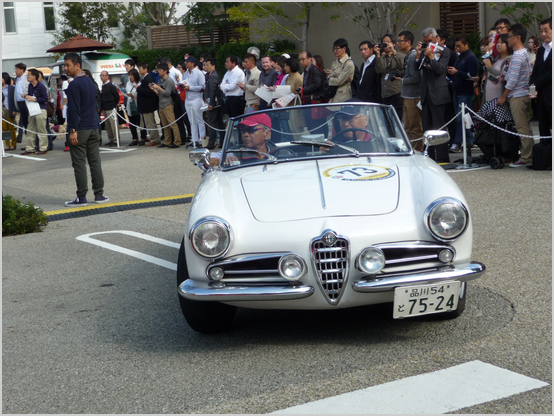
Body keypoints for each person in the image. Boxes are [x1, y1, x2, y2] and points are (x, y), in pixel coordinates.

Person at [63, 52, 108, 207]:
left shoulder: (74, 84)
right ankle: (99, 194)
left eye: (68, 65)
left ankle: (81, 197)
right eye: (65, 65)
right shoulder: (89, 81)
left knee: (79, 164)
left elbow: (73, 109)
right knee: (95, 162)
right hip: (94, 127)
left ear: (77, 65)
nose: (66, 68)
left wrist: (73, 129)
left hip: (80, 128)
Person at [497, 23, 534, 167]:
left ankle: (526, 157)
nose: (507, 40)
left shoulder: (518, 56)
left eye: (510, 37)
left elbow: (512, 81)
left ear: (518, 37)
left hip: (517, 96)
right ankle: (528, 154)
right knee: (525, 126)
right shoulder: (524, 53)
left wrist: (503, 96)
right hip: (524, 93)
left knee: (522, 127)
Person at [414, 27, 452, 163]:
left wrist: (431, 57)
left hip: (438, 92)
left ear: (436, 38)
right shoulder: (425, 51)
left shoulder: (445, 51)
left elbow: (440, 70)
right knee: (427, 127)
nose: (428, 43)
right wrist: (419, 55)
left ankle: (442, 157)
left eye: (429, 40)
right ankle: (429, 156)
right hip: (426, 93)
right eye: (425, 41)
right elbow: (418, 69)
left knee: (439, 127)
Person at [447, 35, 479, 152]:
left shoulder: (471, 58)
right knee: (462, 117)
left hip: (466, 91)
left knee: (461, 117)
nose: (458, 48)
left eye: (460, 46)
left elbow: (472, 76)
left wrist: (457, 72)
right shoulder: (460, 57)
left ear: (467, 44)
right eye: (456, 46)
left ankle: (457, 142)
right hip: (457, 90)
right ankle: (469, 140)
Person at [395, 31, 423, 151]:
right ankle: (411, 149)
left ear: (408, 42)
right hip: (407, 96)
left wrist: (402, 80)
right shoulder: (408, 55)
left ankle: (417, 151)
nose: (398, 43)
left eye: (400, 41)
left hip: (413, 97)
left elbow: (417, 78)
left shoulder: (412, 56)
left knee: (414, 127)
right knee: (407, 128)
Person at [529, 17, 552, 140]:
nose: (543, 34)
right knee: (543, 129)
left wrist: (535, 84)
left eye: (546, 30)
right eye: (541, 31)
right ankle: (545, 156)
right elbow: (535, 72)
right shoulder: (542, 49)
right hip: (541, 98)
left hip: (551, 95)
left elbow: (551, 74)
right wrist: (533, 90)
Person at [150, 62, 181, 148]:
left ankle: (177, 141)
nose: (159, 71)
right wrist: (154, 89)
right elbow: (159, 93)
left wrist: (158, 88)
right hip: (161, 104)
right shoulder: (161, 80)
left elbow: (167, 93)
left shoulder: (169, 80)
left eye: (160, 70)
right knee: (165, 124)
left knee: (172, 123)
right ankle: (167, 141)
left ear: (165, 71)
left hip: (168, 104)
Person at [375, 34, 405, 120]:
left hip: (396, 91)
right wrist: (377, 55)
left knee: (397, 119)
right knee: (387, 120)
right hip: (385, 93)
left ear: (394, 44)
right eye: (384, 42)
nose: (386, 44)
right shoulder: (382, 58)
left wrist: (394, 52)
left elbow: (402, 67)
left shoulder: (400, 55)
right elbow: (379, 70)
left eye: (388, 42)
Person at [20, 69, 49, 155]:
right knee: (30, 129)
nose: (27, 77)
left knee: (41, 130)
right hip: (32, 109)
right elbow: (29, 96)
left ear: (34, 77)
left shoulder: (41, 86)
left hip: (41, 109)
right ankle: (30, 148)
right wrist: (26, 96)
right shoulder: (30, 85)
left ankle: (43, 148)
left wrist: (35, 99)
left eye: (29, 75)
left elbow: (45, 99)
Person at [299, 50, 327, 137]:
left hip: (314, 102)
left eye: (303, 59)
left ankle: (321, 147)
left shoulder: (314, 69)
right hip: (308, 102)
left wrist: (304, 90)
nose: (301, 61)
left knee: (317, 127)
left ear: (310, 59)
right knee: (311, 127)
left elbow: (318, 84)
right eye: (300, 60)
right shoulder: (307, 70)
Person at [183, 56, 205, 148]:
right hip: (188, 98)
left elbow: (203, 87)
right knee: (192, 121)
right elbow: (184, 82)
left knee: (199, 120)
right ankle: (194, 139)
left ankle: (202, 139)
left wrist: (190, 87)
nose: (186, 63)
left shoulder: (199, 73)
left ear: (193, 63)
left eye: (188, 62)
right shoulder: (186, 73)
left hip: (196, 98)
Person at [137, 62, 161, 147]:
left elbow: (148, 92)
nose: (139, 70)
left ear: (145, 69)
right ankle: (156, 138)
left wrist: (139, 88)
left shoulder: (148, 79)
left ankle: (154, 139)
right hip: (147, 105)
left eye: (140, 68)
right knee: (151, 123)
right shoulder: (145, 78)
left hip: (147, 105)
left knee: (150, 123)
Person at [484, 34, 513, 102]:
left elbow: (504, 76)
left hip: (499, 98)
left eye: (502, 42)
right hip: (489, 97)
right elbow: (495, 78)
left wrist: (490, 67)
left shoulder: (509, 59)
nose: (499, 44)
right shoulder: (496, 59)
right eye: (498, 42)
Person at [203, 57, 224, 150]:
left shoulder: (213, 77)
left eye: (208, 65)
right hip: (217, 103)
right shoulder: (213, 76)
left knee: (212, 123)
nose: (206, 67)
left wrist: (210, 104)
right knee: (219, 123)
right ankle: (222, 142)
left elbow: (212, 92)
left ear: (213, 66)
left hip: (214, 104)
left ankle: (211, 143)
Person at [328, 38, 355, 103]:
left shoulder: (348, 63)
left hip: (343, 96)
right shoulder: (335, 62)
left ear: (344, 49)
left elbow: (339, 81)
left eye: (337, 49)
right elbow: (337, 79)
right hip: (334, 94)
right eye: (334, 49)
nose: (335, 51)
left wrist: (329, 79)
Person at [99, 71, 120, 147]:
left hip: (111, 107)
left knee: (113, 125)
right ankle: (111, 139)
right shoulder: (103, 86)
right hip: (105, 107)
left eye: (103, 75)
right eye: (101, 75)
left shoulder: (111, 86)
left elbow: (116, 95)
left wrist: (115, 103)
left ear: (107, 76)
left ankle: (116, 139)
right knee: (108, 125)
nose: (102, 77)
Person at [125, 69, 143, 146]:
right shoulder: (128, 83)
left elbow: (138, 93)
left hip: (137, 103)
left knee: (140, 122)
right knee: (132, 123)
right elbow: (127, 91)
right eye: (129, 75)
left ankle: (143, 137)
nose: (130, 77)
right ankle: (135, 138)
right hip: (130, 103)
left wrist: (132, 95)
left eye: (132, 75)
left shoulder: (139, 83)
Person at [14, 63, 29, 144]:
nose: (15, 71)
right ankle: (28, 144)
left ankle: (31, 144)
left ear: (22, 70)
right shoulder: (17, 79)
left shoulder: (26, 78)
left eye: (17, 69)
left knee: (28, 123)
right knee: (23, 122)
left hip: (26, 102)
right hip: (19, 103)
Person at [2, 72, 17, 150]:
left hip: (9, 109)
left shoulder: (11, 88)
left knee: (11, 127)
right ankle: (7, 144)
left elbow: (14, 100)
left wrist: (14, 109)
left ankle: (13, 143)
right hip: (2, 110)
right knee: (4, 128)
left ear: (5, 78)